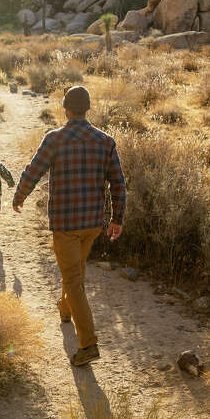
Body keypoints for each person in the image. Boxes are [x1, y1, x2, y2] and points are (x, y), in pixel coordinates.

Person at [12, 86, 126, 367]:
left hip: (65, 224)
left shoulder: (55, 139)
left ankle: (88, 344)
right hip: (92, 224)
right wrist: (117, 219)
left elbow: (34, 170)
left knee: (74, 278)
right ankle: (65, 309)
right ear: (87, 109)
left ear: (66, 109)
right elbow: (118, 184)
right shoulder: (105, 141)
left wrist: (19, 196)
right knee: (74, 271)